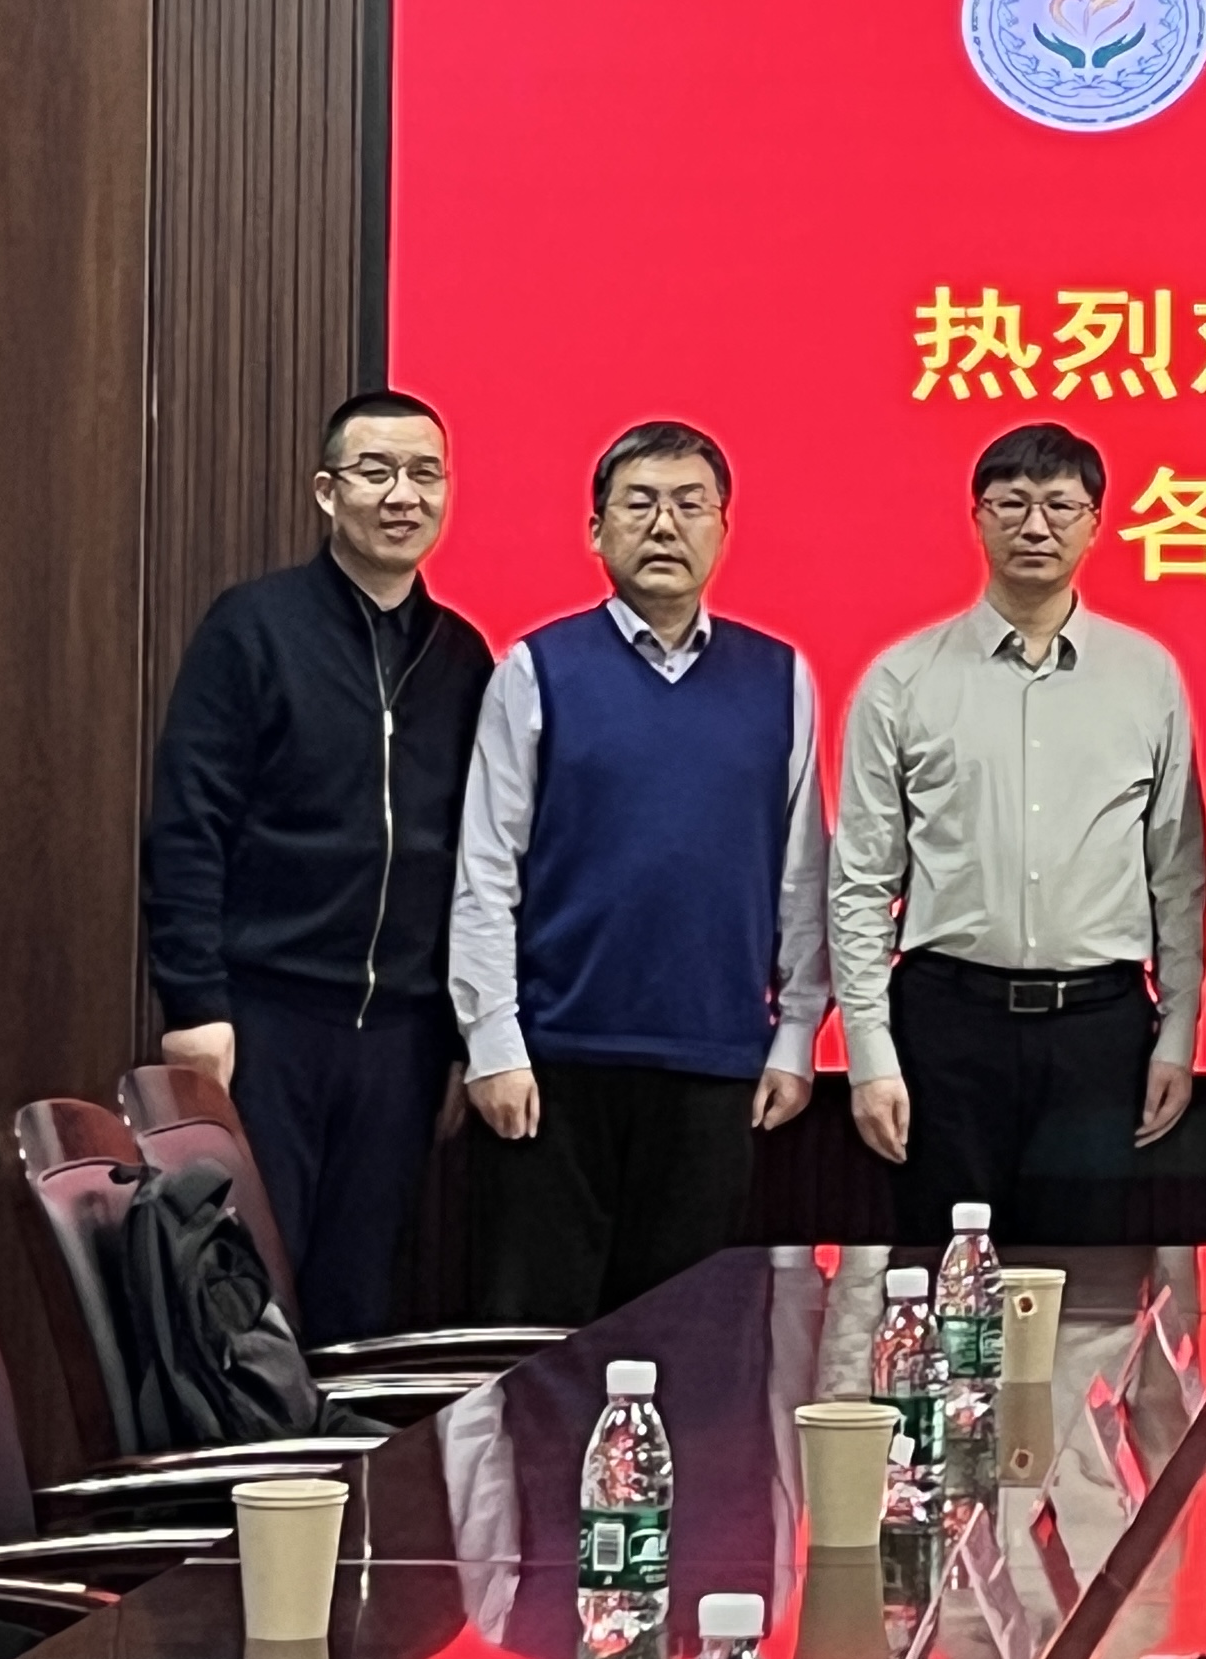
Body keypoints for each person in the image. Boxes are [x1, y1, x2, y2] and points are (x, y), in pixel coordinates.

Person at [449, 419, 829, 1321]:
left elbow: (801, 877)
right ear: (596, 529)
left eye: (690, 505)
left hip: (715, 1064)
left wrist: (797, 1032)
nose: (665, 525)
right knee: (538, 1343)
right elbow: (486, 870)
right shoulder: (537, 669)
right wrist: (492, 1041)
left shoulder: (779, 676)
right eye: (640, 504)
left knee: (689, 1343)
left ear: (723, 529)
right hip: (555, 1068)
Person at [140, 389, 495, 1342]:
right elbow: (189, 824)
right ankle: (251, 1452)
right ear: (326, 492)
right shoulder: (254, 627)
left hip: (402, 1037)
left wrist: (464, 1034)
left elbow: (482, 860)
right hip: (266, 1018)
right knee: (244, 1292)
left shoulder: (464, 656)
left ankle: (342, 1450)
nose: (403, 495)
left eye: (425, 474)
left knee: (359, 1298)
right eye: (376, 472)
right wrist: (195, 1005)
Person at [832, 419, 1206, 1248]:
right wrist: (868, 1051)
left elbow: (1177, 873)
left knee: (1088, 1286)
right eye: (1013, 503)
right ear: (978, 516)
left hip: (1098, 1031)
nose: (1036, 526)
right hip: (947, 1028)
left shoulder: (1146, 675)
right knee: (945, 1280)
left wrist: (1179, 1033)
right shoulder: (903, 678)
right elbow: (860, 881)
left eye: (1060, 506)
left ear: (1095, 522)